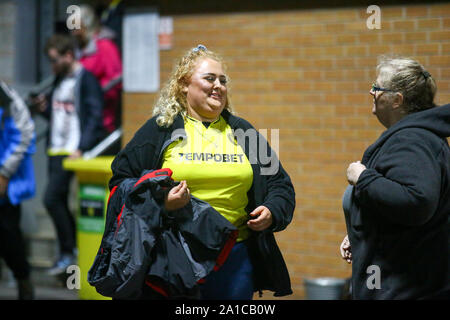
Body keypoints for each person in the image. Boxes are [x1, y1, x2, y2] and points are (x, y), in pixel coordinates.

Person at [108, 45, 296, 299]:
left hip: (235, 257)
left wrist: (272, 210)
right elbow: (121, 183)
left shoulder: (243, 132)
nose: (218, 85)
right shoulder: (160, 129)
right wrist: (162, 203)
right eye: (209, 78)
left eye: (223, 80)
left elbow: (279, 185)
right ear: (184, 85)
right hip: (175, 257)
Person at [340, 56, 450, 299]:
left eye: (377, 88)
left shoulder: (412, 140)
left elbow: (416, 201)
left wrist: (363, 177)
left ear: (397, 99)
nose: (371, 92)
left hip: (404, 291)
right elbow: (395, 206)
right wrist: (363, 231)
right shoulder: (416, 137)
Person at [31, 34, 105, 276]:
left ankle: (69, 250)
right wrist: (43, 109)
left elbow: (94, 116)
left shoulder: (86, 80)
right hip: (55, 148)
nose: (51, 65)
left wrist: (82, 147)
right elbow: (60, 116)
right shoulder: (58, 80)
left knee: (51, 199)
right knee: (58, 200)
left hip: (72, 151)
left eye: (54, 59)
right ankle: (69, 251)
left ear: (69, 55)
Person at [0, 81, 36, 299]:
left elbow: (24, 132)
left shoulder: (8, 98)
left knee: (8, 236)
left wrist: (4, 172)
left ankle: (23, 280)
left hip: (6, 183)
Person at [71, 4, 122, 137]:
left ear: (86, 25)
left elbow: (115, 80)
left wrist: (96, 94)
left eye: (76, 26)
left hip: (100, 119)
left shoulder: (105, 46)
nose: (73, 32)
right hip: (77, 118)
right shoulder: (77, 50)